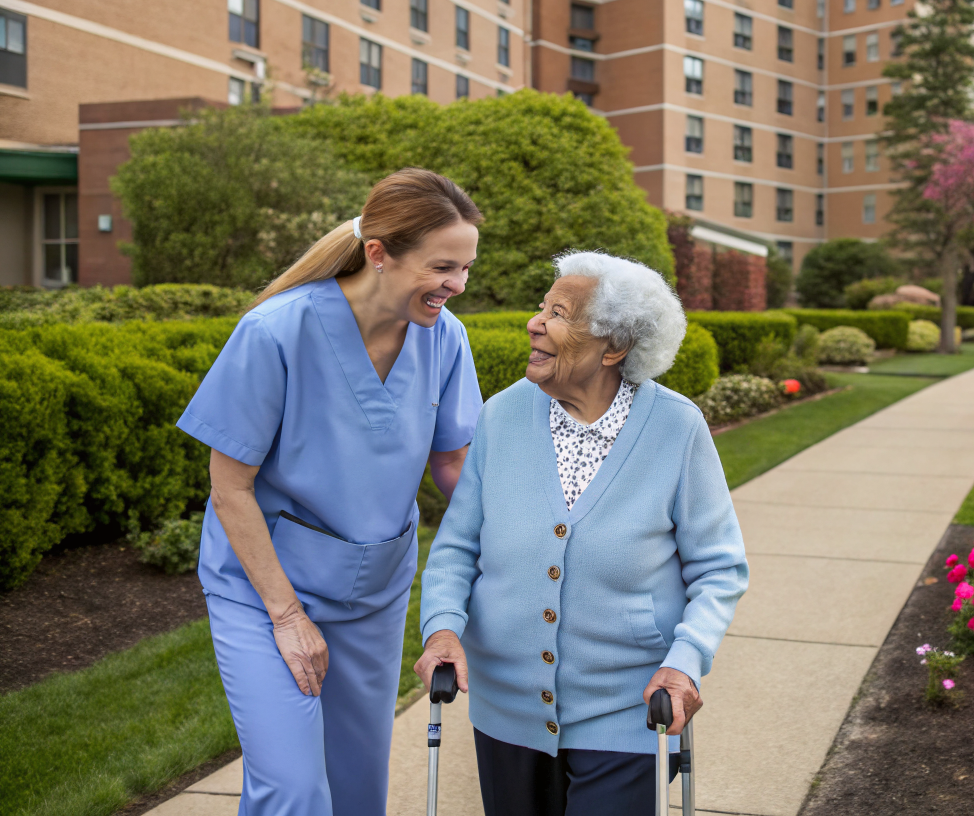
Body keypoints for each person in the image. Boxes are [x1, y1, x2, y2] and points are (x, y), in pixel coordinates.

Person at [176, 168, 484, 816]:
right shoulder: (276, 332)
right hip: (264, 592)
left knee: (355, 789)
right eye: (443, 267)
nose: (457, 286)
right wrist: (287, 617)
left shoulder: (445, 337)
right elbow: (229, 487)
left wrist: (522, 539)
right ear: (379, 254)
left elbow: (454, 463)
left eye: (465, 267)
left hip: (374, 590)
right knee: (293, 791)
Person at [416, 251, 748, 816]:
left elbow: (719, 568)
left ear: (613, 346)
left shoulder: (675, 427)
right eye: (542, 307)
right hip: (508, 706)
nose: (535, 322)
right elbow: (456, 549)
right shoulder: (502, 417)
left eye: (560, 313)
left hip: (628, 706)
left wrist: (685, 659)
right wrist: (442, 629)